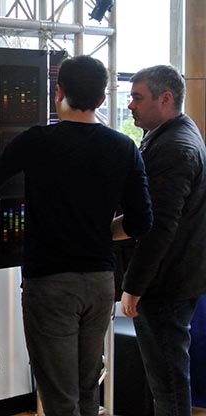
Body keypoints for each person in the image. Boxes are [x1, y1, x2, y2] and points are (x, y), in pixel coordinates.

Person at [0, 55, 153, 416]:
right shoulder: (123, 147)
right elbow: (141, 221)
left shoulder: (39, 140)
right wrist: (103, 234)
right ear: (102, 99)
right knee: (88, 387)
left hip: (50, 282)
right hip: (101, 282)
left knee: (58, 394)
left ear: (59, 92)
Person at [114, 64, 206, 416]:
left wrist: (134, 286)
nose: (131, 106)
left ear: (165, 99)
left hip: (165, 285)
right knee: (167, 382)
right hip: (174, 279)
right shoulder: (175, 134)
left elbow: (159, 226)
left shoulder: (175, 147)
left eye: (138, 98)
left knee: (167, 385)